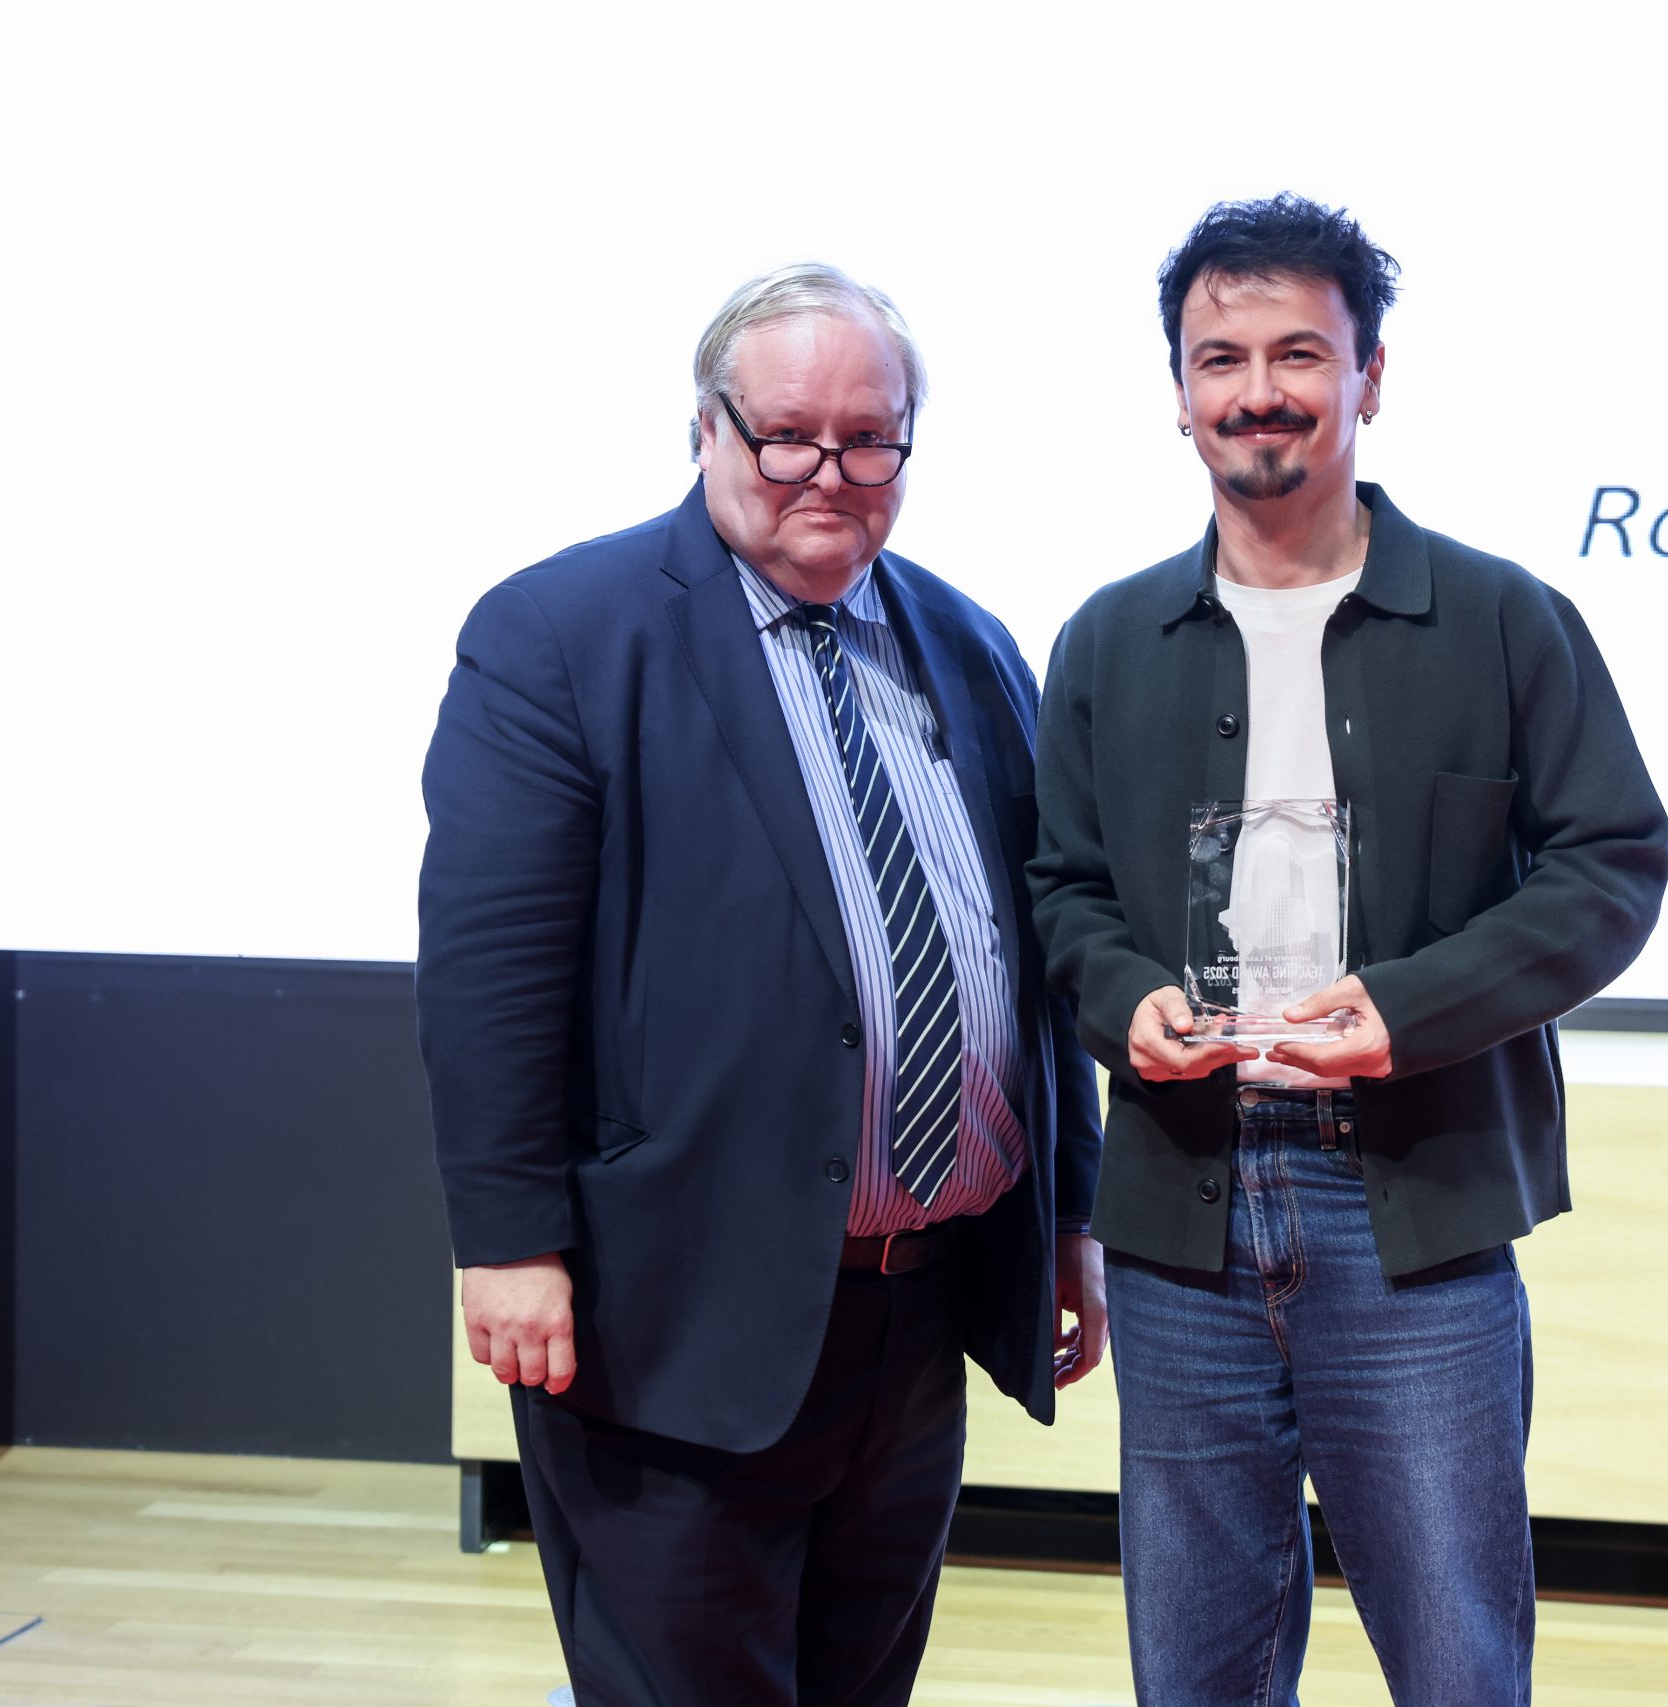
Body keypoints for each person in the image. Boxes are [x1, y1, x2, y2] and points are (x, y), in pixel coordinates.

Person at [417, 263, 1105, 1707]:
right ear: (706, 427)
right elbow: (491, 974)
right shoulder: (562, 634)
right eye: (787, 436)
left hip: (916, 1313)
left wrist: (1068, 1215)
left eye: (869, 439)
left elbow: (1033, 957)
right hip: (671, 1313)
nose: (829, 474)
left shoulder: (972, 646)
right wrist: (509, 1243)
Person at [1027, 194, 1668, 1705]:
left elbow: (1611, 867)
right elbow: (1060, 892)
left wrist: (1411, 1010)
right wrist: (1126, 1001)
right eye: (1222, 358)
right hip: (1179, 1219)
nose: (1259, 390)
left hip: (1414, 1212)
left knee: (1455, 1663)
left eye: (1299, 353)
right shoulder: (1108, 642)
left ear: (1369, 375)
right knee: (1199, 1672)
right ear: (1179, 390)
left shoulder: (1503, 620)